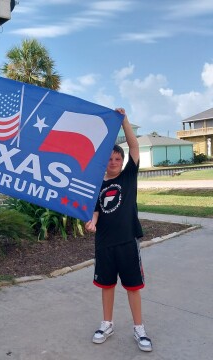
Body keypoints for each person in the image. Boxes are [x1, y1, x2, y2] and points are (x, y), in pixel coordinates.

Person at [85, 108, 152, 352]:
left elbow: (134, 147)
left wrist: (124, 121)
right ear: (104, 161)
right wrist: (92, 222)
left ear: (122, 162)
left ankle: (139, 328)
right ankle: (107, 324)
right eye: (109, 159)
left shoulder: (127, 178)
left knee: (133, 287)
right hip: (104, 244)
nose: (113, 163)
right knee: (107, 285)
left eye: (117, 159)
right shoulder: (96, 186)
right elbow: (95, 210)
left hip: (127, 241)